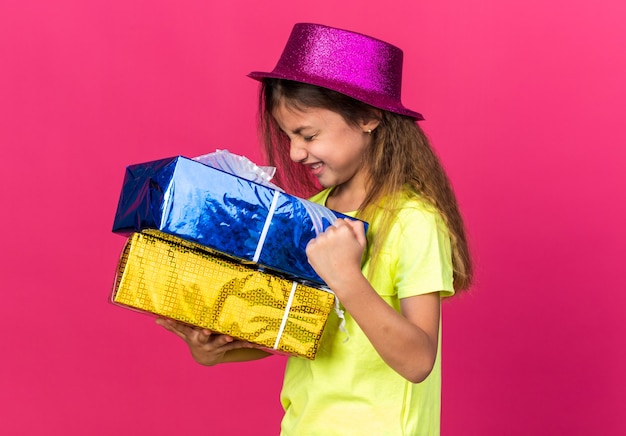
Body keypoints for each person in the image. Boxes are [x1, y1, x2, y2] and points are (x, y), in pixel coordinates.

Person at [156, 23, 472, 435]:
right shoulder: (312, 213)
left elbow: (417, 361)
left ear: (368, 117)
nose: (295, 152)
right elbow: (299, 331)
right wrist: (215, 351)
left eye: (308, 134)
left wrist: (345, 277)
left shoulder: (414, 221)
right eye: (288, 136)